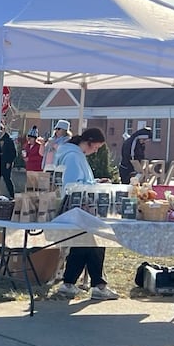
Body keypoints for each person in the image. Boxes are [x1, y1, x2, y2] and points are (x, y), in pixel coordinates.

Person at [50, 127, 119, 301]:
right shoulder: (74, 156)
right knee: (95, 240)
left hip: (75, 207)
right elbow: (73, 185)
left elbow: (75, 182)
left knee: (83, 243)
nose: (95, 151)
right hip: (77, 207)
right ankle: (97, 285)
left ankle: (71, 283)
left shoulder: (71, 153)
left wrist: (94, 182)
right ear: (88, 142)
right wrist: (92, 186)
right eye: (95, 147)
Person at [0, 129, 19, 199]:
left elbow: (13, 153)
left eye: (1, 130)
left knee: (7, 179)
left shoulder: (9, 140)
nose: (0, 132)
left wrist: (9, 162)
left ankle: (12, 195)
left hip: (6, 163)